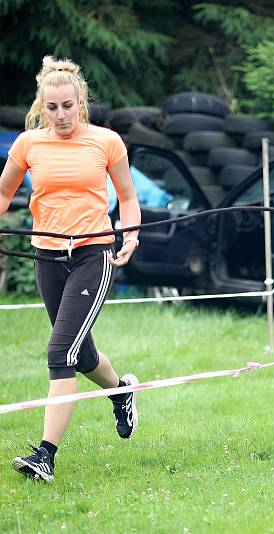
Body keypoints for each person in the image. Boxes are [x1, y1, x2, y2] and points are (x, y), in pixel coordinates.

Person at [0, 56, 142, 482]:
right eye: (52, 107)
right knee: (81, 355)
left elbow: (128, 199)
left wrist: (130, 236)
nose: (61, 115)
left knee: (60, 351)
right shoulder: (28, 145)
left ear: (81, 103)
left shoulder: (106, 142)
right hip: (47, 256)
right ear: (42, 107)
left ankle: (45, 456)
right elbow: (5, 191)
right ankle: (121, 391)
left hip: (92, 255)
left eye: (68, 106)